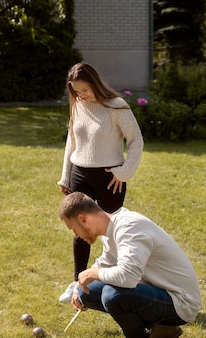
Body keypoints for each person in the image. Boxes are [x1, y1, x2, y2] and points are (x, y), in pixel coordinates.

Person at [59, 192, 201, 338]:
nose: (75, 234)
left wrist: (91, 273)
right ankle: (164, 329)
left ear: (83, 219)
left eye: (73, 228)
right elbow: (106, 263)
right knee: (87, 293)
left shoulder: (129, 227)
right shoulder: (110, 230)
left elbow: (128, 277)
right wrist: (78, 287)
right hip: (161, 293)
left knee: (113, 295)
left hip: (181, 302)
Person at [57, 62, 144, 303]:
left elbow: (136, 141)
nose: (80, 95)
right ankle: (77, 282)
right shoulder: (78, 105)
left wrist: (124, 171)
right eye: (76, 91)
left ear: (95, 83)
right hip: (79, 173)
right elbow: (71, 142)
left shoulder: (117, 106)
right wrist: (66, 176)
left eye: (84, 90)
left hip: (109, 178)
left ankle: (115, 278)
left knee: (113, 231)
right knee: (80, 230)